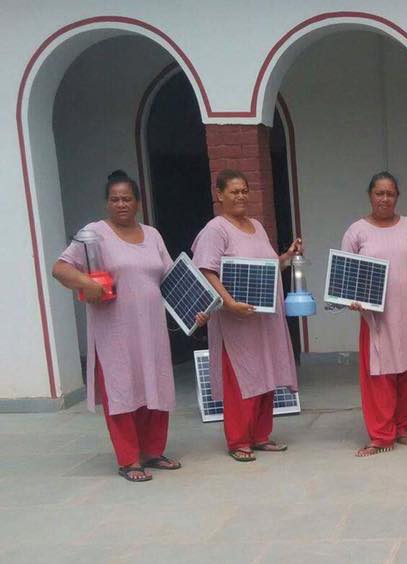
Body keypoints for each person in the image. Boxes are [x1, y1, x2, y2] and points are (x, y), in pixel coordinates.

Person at [53, 170, 201, 482]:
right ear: (107, 203)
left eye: (126, 198)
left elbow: (171, 278)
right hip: (114, 331)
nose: (121, 204)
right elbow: (61, 268)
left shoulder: (153, 235)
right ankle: (129, 459)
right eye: (114, 199)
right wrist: (85, 282)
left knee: (154, 386)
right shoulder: (94, 234)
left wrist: (196, 310)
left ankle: (153, 452)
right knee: (122, 392)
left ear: (138, 202)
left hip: (152, 330)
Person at [191, 169, 300, 462]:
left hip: (264, 318)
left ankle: (260, 436)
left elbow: (263, 270)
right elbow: (206, 271)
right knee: (242, 377)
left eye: (244, 191)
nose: (240, 196)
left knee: (265, 374)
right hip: (235, 320)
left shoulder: (257, 226)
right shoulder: (216, 229)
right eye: (233, 191)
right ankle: (239, 440)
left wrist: (286, 258)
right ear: (220, 195)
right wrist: (229, 303)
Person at [341, 171, 407, 457]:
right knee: (379, 374)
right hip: (376, 318)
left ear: (397, 197)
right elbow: (346, 275)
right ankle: (380, 435)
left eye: (390, 193)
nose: (385, 199)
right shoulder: (356, 231)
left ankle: (402, 428)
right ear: (370, 195)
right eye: (379, 193)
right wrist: (351, 298)